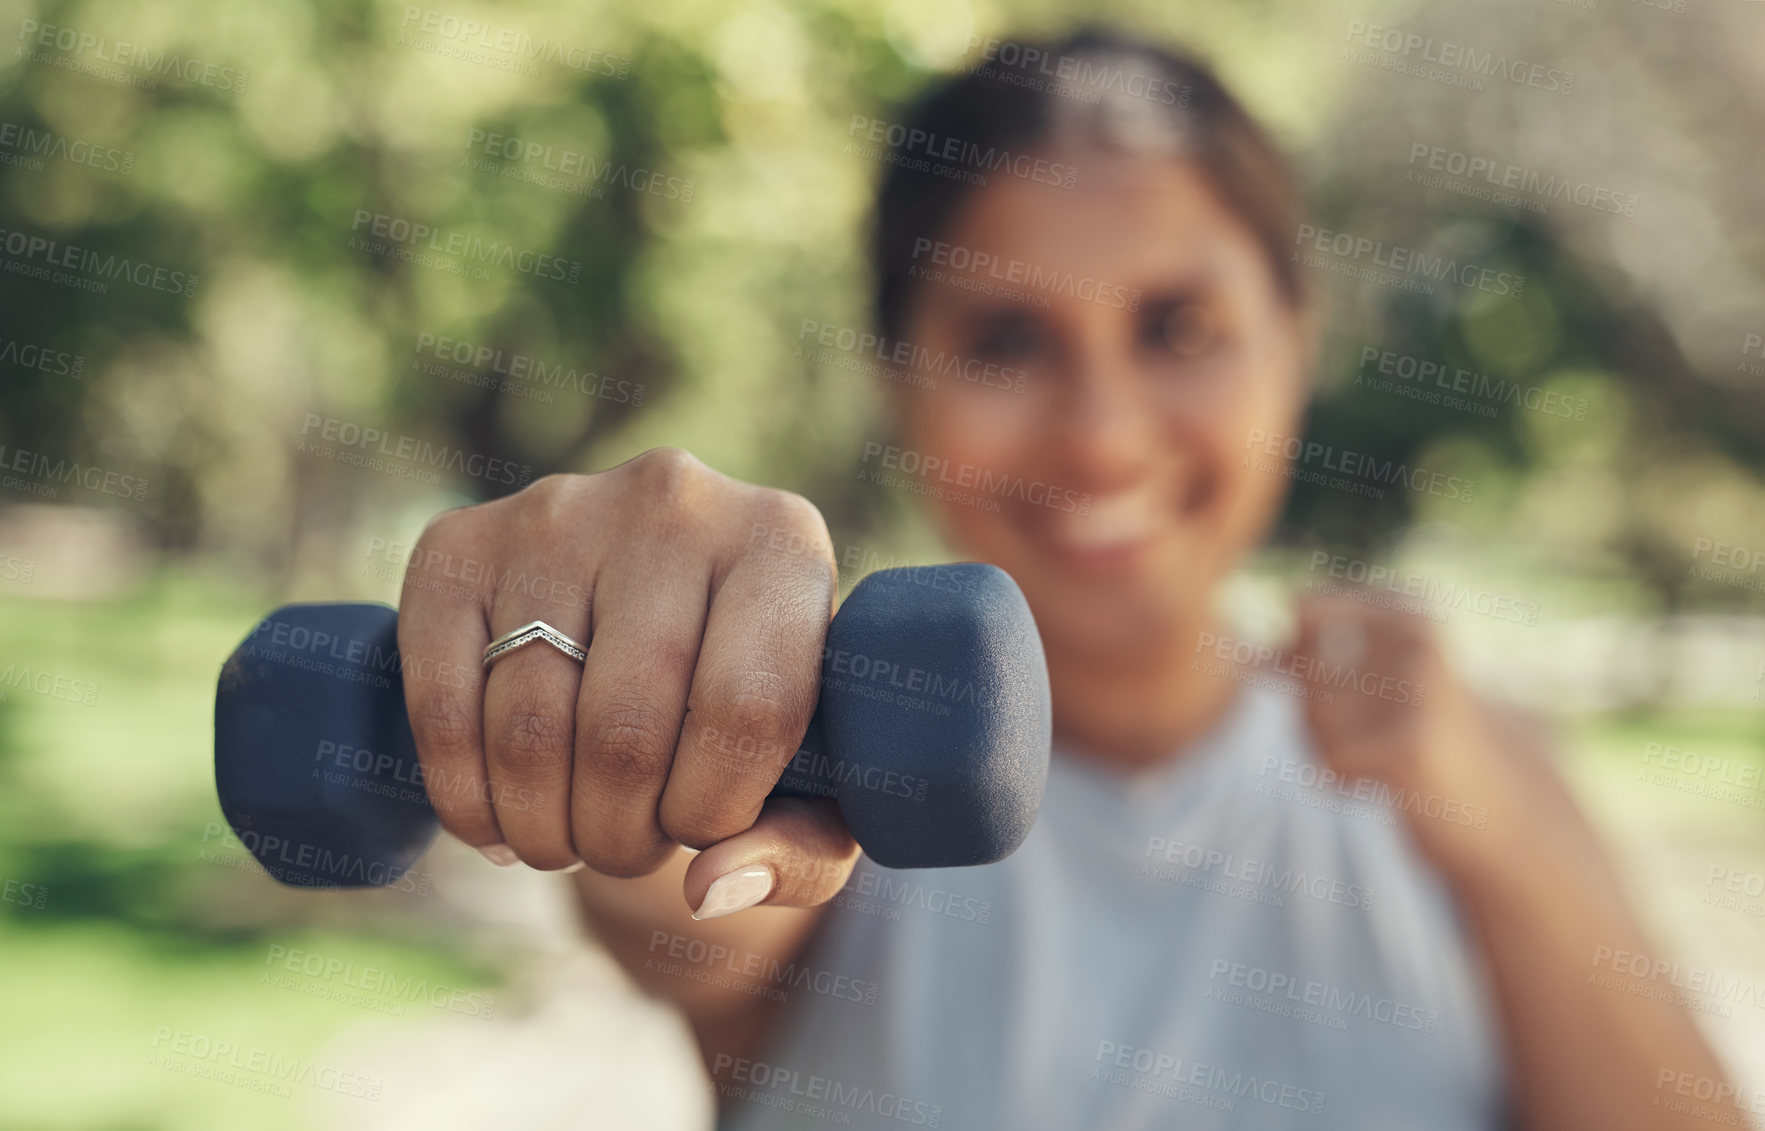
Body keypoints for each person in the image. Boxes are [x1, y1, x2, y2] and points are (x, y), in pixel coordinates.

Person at [393, 30, 1735, 1130]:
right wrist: (620, 706)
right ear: (892, 378)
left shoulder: (1466, 765)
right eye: (1004, 337)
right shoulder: (801, 753)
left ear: (1294, 340)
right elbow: (671, 901)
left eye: (1178, 328)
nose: (1099, 432)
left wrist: (1493, 817)